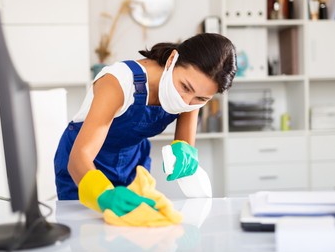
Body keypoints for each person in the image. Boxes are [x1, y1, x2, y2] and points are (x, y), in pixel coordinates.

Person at [54, 33, 237, 216]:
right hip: (84, 163)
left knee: (136, 234)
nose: (186, 102)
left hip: (132, 162)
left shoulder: (193, 93)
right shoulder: (119, 82)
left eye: (201, 98)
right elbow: (80, 157)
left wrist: (184, 154)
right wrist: (103, 194)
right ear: (172, 59)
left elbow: (184, 144)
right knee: (85, 231)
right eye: (185, 87)